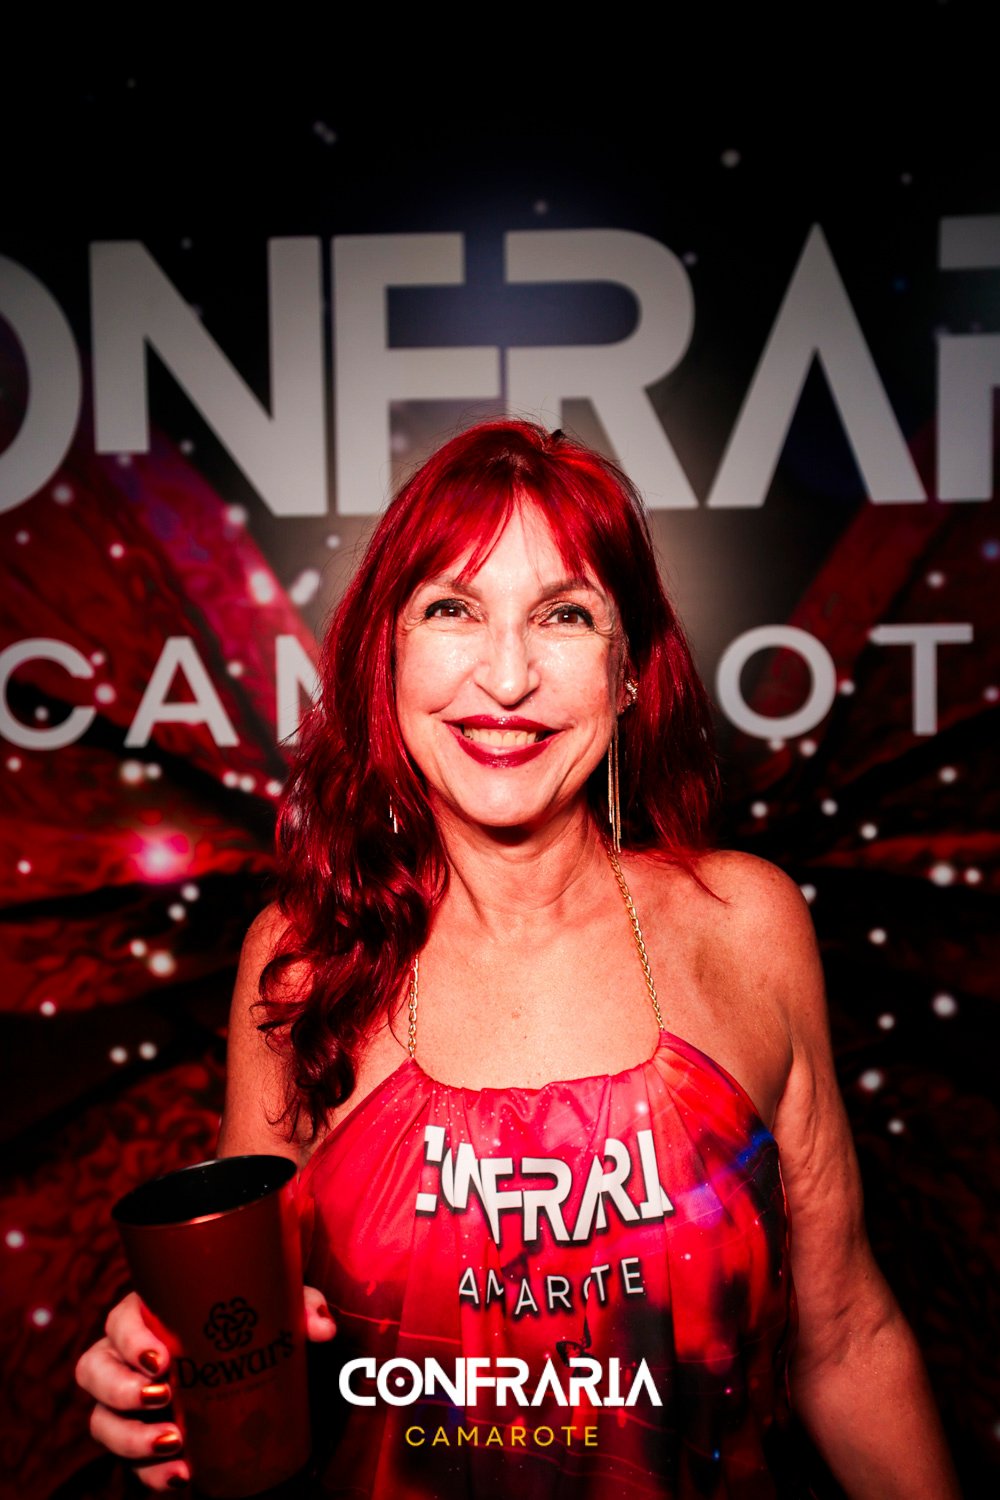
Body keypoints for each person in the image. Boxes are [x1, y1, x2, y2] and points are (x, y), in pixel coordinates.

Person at [76, 421, 958, 1497]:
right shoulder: (302, 959)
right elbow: (242, 1343)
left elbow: (847, 1335)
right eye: (453, 609)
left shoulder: (746, 924)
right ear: (387, 656)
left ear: (628, 671)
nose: (505, 678)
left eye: (565, 615)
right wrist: (164, 1375)